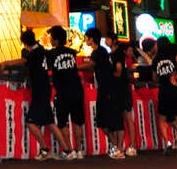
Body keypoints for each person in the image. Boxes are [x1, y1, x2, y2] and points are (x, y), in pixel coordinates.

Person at [45, 24, 85, 160]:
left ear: (55, 40)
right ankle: (79, 150)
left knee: (62, 122)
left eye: (51, 38)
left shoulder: (51, 54)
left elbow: (45, 67)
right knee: (77, 121)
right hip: (77, 90)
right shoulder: (72, 52)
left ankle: (69, 150)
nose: (49, 40)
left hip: (63, 92)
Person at [83, 26, 124, 159]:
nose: (84, 40)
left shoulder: (99, 52)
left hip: (109, 89)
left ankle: (119, 148)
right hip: (104, 89)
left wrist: (74, 66)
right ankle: (115, 146)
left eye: (86, 38)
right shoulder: (100, 52)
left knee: (113, 119)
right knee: (102, 120)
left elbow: (91, 64)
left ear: (91, 39)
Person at [144, 37, 177, 157]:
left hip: (164, 91)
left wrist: (162, 78)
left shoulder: (155, 60)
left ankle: (168, 142)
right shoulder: (174, 56)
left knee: (162, 119)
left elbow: (154, 79)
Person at [16, 28, 53, 160]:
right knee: (50, 123)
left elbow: (22, 62)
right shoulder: (42, 50)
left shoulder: (33, 54)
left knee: (31, 122)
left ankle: (44, 148)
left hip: (39, 91)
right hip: (44, 89)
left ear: (25, 43)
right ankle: (68, 149)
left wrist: (4, 64)